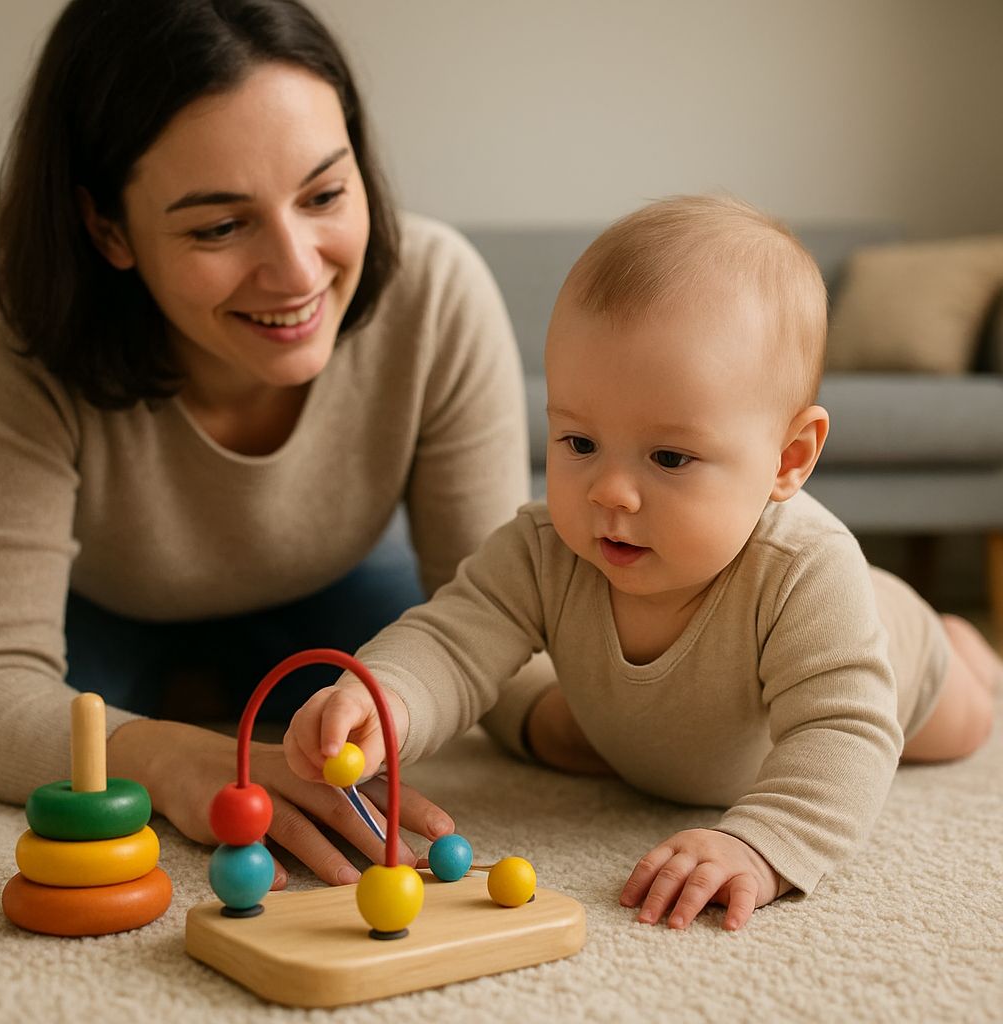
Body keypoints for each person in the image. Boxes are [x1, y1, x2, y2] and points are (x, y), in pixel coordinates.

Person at [284, 195, 1000, 929]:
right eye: (579, 443)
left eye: (668, 457)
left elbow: (846, 731)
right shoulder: (544, 548)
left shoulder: (805, 571)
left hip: (894, 653)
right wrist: (388, 699)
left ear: (789, 460)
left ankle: (964, 645)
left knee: (965, 723)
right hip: (692, 736)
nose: (610, 493)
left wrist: (762, 843)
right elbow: (454, 637)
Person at [0, 0, 534, 888]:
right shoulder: (5, 317)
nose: (298, 272)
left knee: (405, 670)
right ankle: (190, 695)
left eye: (324, 194)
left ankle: (214, 684)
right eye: (218, 226)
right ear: (106, 228)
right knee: (77, 723)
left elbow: (502, 628)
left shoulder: (436, 291)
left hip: (336, 587)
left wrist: (597, 719)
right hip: (102, 609)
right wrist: (170, 757)